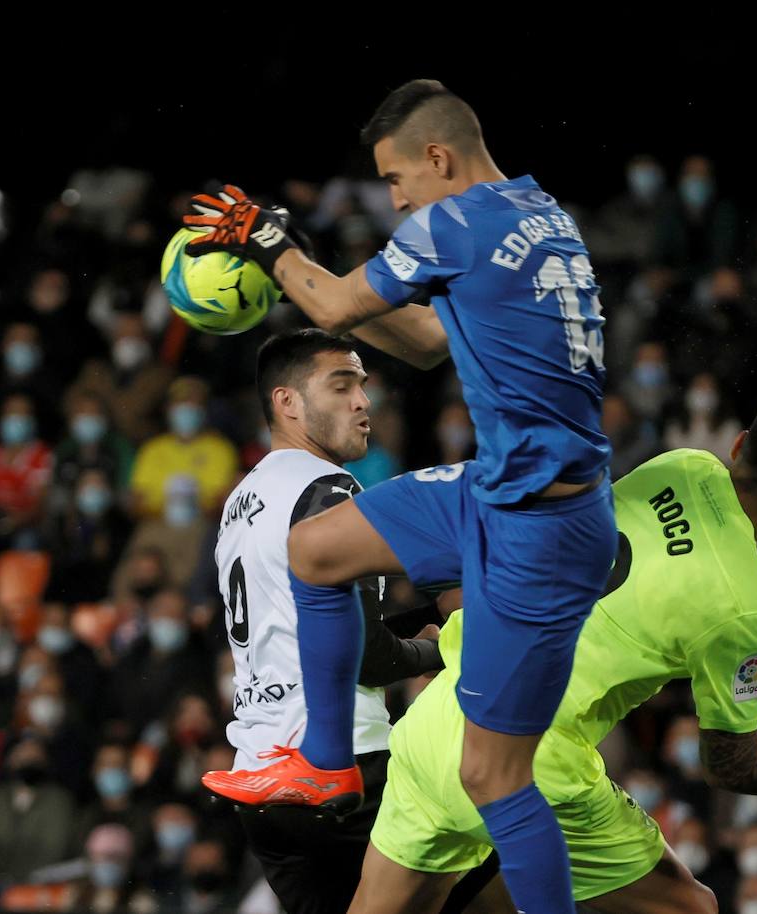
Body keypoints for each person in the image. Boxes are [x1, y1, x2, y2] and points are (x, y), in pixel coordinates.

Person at [187, 80, 614, 914]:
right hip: (500, 493)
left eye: (395, 180)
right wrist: (302, 272)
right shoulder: (537, 214)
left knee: (493, 777)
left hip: (535, 525)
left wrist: (275, 246)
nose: (394, 199)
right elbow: (421, 345)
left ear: (438, 159)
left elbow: (338, 303)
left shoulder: (453, 220)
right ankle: (324, 760)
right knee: (314, 550)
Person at [350, 399, 757, 913]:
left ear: (737, 444)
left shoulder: (684, 467)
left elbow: (686, 585)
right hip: (531, 763)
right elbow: (729, 762)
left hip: (441, 718)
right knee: (691, 908)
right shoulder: (747, 608)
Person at [211, 330, 494, 914]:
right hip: (345, 770)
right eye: (342, 385)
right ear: (287, 402)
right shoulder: (328, 489)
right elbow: (367, 655)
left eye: (363, 386)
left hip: (263, 783)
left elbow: (310, 626)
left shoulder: (242, 501)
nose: (363, 401)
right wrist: (437, 650)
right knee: (510, 881)